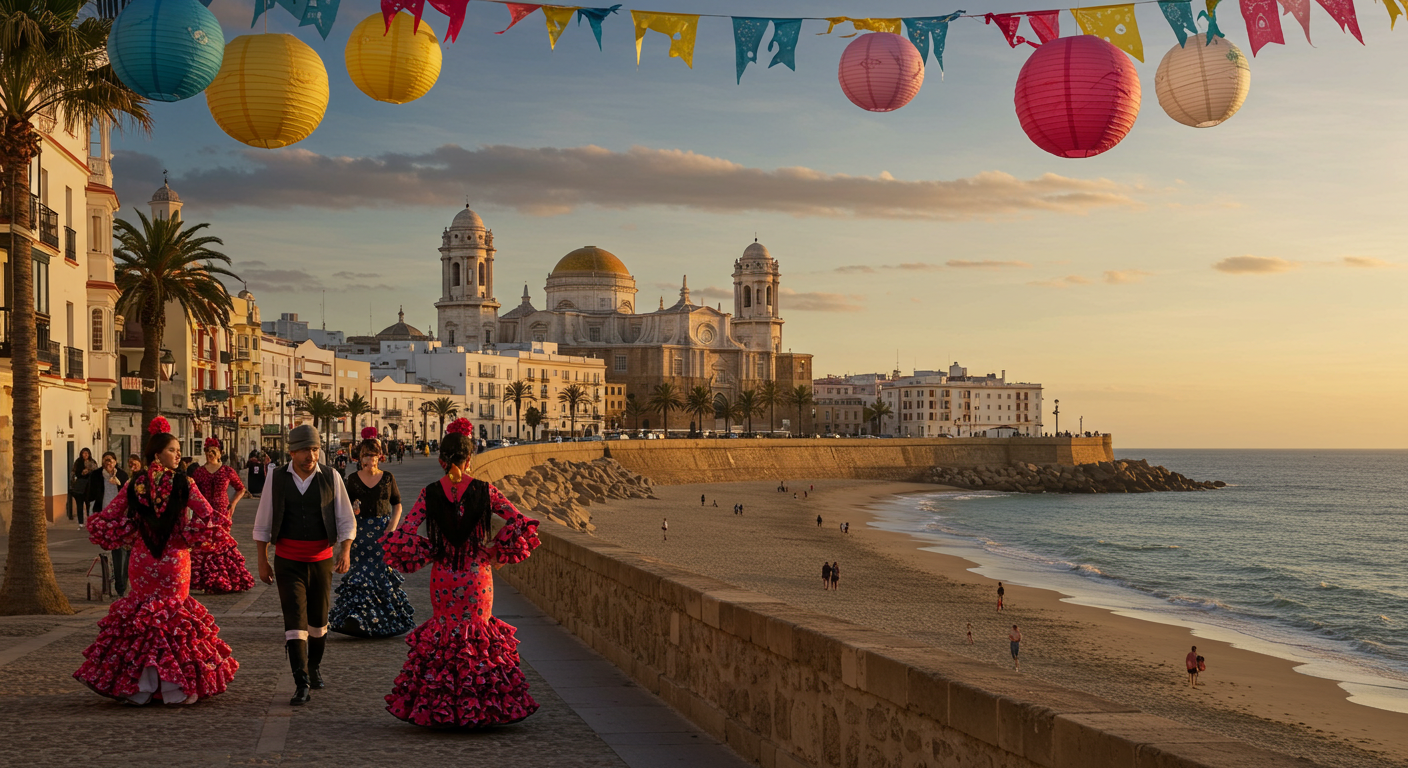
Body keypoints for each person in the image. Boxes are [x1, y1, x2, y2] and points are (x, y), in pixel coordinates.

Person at [379, 418, 541, 728]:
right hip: (477, 575)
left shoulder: (429, 493)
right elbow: (519, 521)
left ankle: (442, 706)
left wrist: (429, 551)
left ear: (442, 460)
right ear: (469, 460)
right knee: (477, 633)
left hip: (443, 575)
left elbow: (408, 531)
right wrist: (496, 550)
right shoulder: (485, 490)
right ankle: (480, 706)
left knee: (445, 632)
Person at [74, 417, 238, 705]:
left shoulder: (134, 483)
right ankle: (178, 687)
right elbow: (209, 516)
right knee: (174, 618)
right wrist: (196, 534)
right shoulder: (184, 482)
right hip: (175, 559)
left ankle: (140, 688)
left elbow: (111, 515)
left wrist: (127, 532)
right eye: (173, 450)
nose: (178, 454)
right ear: (158, 453)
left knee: (143, 619)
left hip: (142, 557)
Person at [252, 424, 357, 706]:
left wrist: (344, 550)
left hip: (321, 561)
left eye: (314, 449)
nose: (310, 455)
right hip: (287, 560)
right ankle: (301, 682)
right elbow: (262, 524)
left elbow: (347, 520)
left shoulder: (331, 477)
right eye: (304, 450)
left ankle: (314, 665)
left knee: (318, 622)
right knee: (294, 621)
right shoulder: (275, 478)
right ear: (291, 451)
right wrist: (262, 561)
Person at [330, 430, 414, 639]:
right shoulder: (351, 480)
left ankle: (383, 623)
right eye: (366, 455)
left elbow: (397, 504)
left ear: (379, 456)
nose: (370, 459)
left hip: (382, 534)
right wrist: (353, 508)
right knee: (360, 577)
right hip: (359, 534)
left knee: (380, 576)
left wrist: (392, 528)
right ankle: (357, 620)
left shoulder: (388, 478)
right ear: (359, 458)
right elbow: (343, 507)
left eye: (373, 455)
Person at [189, 438, 255, 594]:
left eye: (213, 452)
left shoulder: (227, 471)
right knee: (204, 547)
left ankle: (224, 579)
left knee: (221, 546)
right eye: (207, 452)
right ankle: (207, 581)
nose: (210, 455)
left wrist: (233, 504)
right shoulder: (198, 472)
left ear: (220, 453)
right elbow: (193, 492)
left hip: (221, 512)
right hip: (203, 513)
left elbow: (241, 489)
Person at [90, 452, 130, 596]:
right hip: (104, 516)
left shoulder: (122, 475)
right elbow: (90, 494)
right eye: (105, 461)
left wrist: (118, 483)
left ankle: (122, 584)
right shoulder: (97, 475)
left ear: (115, 461)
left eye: (110, 461)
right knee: (116, 550)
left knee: (123, 551)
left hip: (121, 516)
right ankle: (119, 584)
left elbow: (127, 494)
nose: (108, 464)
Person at [69, 449, 96, 526]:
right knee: (79, 505)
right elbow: (73, 473)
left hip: (89, 486)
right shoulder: (78, 462)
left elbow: (96, 472)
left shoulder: (92, 462)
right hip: (79, 486)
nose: (85, 455)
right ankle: (80, 522)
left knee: (89, 505)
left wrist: (89, 471)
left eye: (87, 453)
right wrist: (81, 473)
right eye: (84, 453)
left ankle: (89, 520)